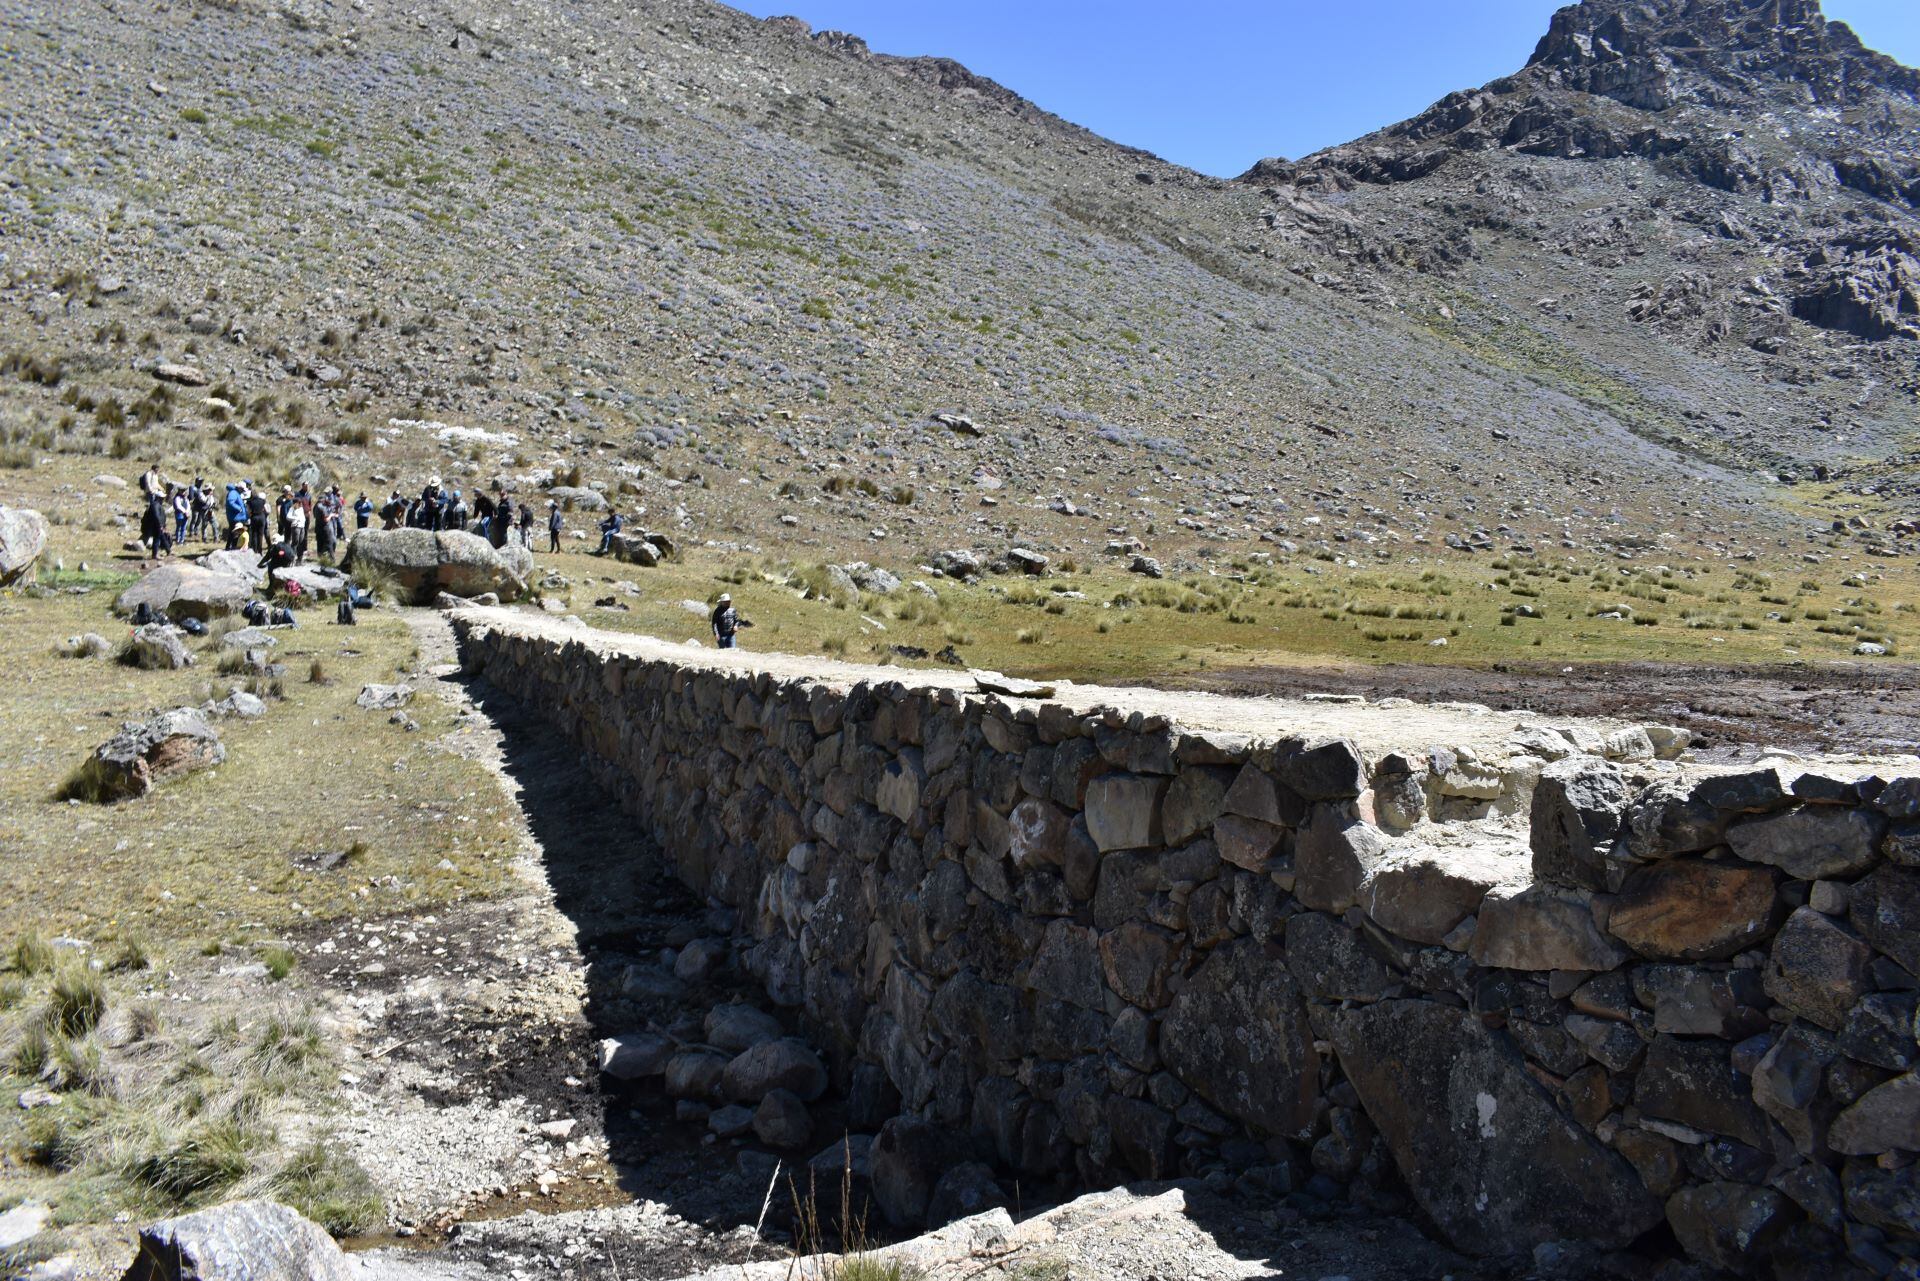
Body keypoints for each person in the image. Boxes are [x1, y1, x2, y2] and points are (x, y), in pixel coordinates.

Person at [247, 484, 271, 555]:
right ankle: (260, 550)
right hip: (261, 517)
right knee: (260, 534)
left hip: (254, 517)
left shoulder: (250, 501)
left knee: (254, 533)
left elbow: (248, 511)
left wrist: (249, 516)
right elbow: (265, 509)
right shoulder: (262, 500)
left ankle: (255, 549)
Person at [286, 496, 309, 564]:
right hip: (296, 527)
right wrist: (295, 518)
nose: (300, 504)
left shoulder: (301, 509)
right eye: (299, 502)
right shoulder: (292, 509)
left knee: (301, 542)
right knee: (295, 542)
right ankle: (292, 558)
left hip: (302, 526)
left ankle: (300, 558)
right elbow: (288, 517)